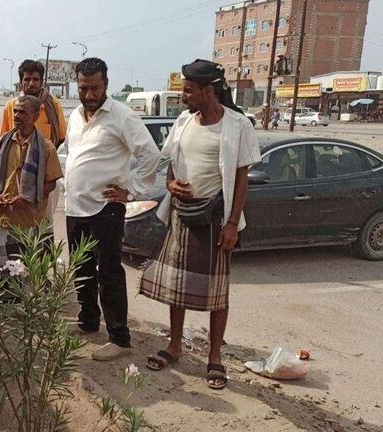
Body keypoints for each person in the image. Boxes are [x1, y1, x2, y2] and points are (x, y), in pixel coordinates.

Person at [139, 59, 261, 390]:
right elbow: (171, 164)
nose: (183, 96)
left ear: (208, 91)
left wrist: (232, 224)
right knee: (177, 285)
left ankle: (215, 358)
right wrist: (170, 184)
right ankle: (175, 346)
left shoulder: (238, 125)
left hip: (216, 219)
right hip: (182, 214)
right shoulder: (182, 121)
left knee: (217, 292)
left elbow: (241, 178)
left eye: (189, 90)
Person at [58, 58, 161, 361]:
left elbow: (150, 155)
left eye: (95, 87)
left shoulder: (122, 116)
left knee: (109, 274)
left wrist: (133, 192)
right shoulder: (76, 115)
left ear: (106, 84)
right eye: (83, 87)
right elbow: (70, 153)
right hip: (75, 207)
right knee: (81, 269)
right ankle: (88, 322)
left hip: (105, 209)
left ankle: (119, 338)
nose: (89, 94)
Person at [0, 95, 62, 266]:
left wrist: (27, 197)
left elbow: (51, 183)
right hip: (1, 216)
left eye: (22, 112)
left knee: (25, 272)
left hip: (28, 220)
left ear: (35, 116)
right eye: (15, 111)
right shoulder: (2, 142)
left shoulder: (46, 147)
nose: (17, 116)